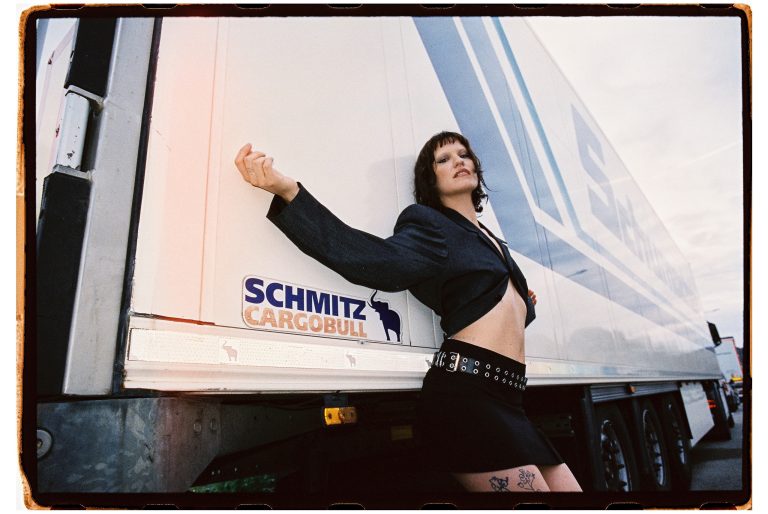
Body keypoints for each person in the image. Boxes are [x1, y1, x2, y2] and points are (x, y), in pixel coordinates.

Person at [234, 132, 582, 492]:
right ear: (430, 179)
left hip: (510, 400)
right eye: (444, 159)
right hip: (468, 398)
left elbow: (489, 310)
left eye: (464, 154)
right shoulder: (432, 225)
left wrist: (519, 300)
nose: (458, 161)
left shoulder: (493, 240)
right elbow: (372, 261)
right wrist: (290, 193)